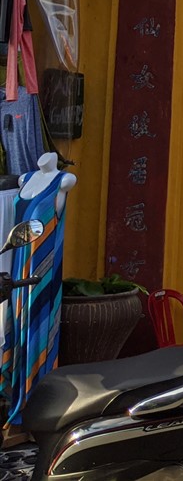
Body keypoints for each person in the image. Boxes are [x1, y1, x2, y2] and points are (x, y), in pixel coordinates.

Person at [2, 151, 74, 425]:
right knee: (17, 326)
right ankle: (17, 399)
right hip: (18, 265)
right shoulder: (25, 179)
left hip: (41, 271)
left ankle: (36, 405)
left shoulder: (64, 181)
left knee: (37, 330)